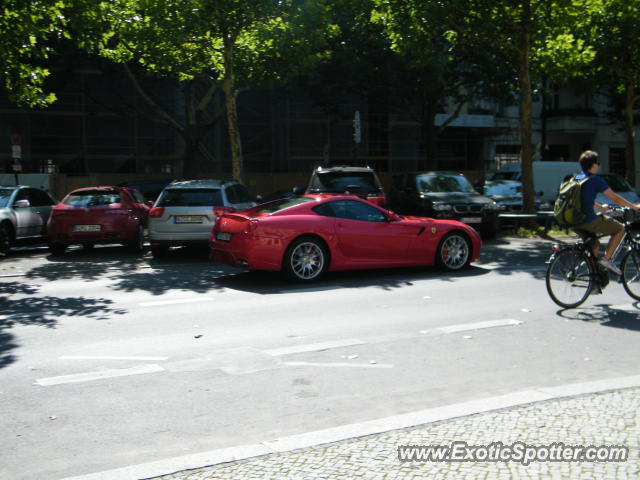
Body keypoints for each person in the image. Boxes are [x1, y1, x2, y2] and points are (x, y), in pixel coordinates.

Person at [574, 150, 640, 275]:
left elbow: (578, 200)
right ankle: (607, 259)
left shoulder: (577, 178)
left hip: (572, 221)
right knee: (620, 228)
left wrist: (599, 206)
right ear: (593, 165)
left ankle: (593, 280)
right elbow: (616, 198)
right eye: (597, 163)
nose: (598, 165)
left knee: (594, 245)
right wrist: (635, 207)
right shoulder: (595, 180)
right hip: (587, 220)